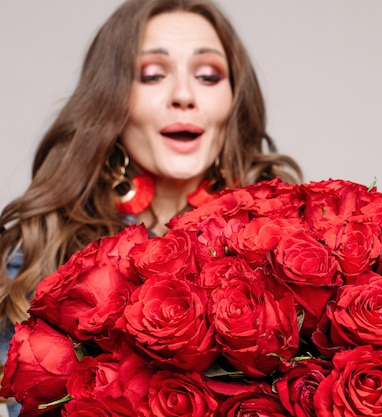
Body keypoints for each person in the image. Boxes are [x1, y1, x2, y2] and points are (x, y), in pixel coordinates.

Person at [0, 0, 301, 414]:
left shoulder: (290, 243)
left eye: (209, 76)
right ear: (111, 99)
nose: (183, 95)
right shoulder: (37, 253)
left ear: (233, 102)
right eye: (152, 75)